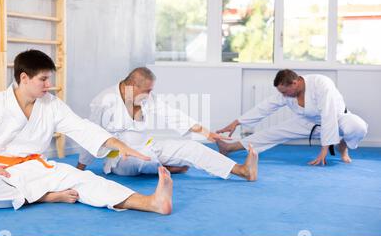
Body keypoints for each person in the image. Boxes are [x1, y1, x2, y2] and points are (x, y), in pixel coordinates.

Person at [0, 50, 173, 215]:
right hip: (4, 173)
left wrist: (120, 145)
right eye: (43, 79)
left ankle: (150, 202)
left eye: (49, 79)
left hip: (40, 168)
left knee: (86, 180)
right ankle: (45, 197)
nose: (49, 85)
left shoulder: (51, 104)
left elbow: (82, 127)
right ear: (24, 78)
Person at [76, 67, 258, 181]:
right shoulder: (104, 102)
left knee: (191, 148)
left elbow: (172, 114)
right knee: (138, 161)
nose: (149, 95)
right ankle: (167, 167)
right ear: (131, 85)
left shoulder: (144, 97)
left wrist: (207, 134)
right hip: (121, 160)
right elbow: (91, 136)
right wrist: (80, 169)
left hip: (149, 147)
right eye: (147, 90)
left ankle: (242, 170)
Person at [216, 69, 368, 166]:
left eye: (285, 92)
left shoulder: (321, 83)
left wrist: (324, 150)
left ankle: (343, 146)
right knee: (272, 132)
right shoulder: (287, 92)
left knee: (358, 126)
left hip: (338, 118)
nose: (283, 96)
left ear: (295, 83)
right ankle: (229, 148)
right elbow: (265, 107)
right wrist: (237, 122)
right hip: (310, 122)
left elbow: (328, 115)